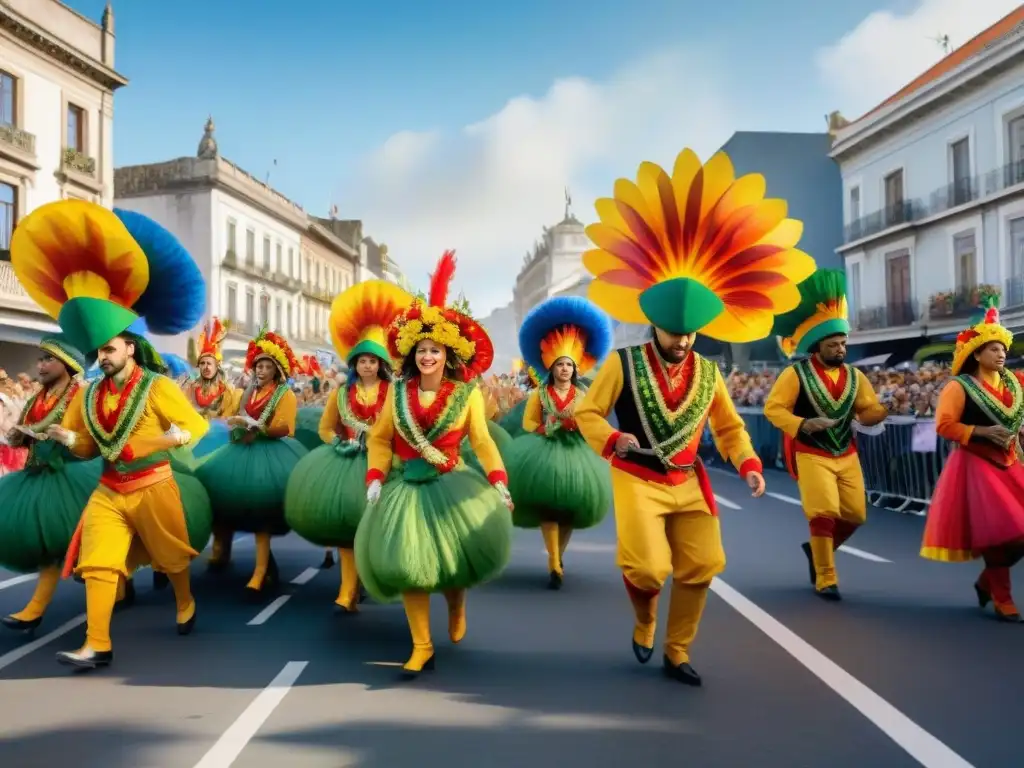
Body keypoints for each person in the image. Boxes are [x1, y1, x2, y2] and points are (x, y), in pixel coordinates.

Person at [575, 147, 815, 686]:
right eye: (674, 331)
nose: (682, 340)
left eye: (690, 333)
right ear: (654, 324)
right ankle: (643, 623)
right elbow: (587, 412)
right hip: (637, 478)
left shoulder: (709, 373)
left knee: (702, 566)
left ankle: (676, 650)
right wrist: (613, 439)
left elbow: (729, 427)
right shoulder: (623, 362)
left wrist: (749, 463)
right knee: (646, 569)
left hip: (689, 481)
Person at [10, 200, 211, 670]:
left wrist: (159, 442)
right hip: (108, 489)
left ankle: (185, 601)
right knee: (98, 563)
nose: (103, 356)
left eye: (110, 348)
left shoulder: (158, 386)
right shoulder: (88, 397)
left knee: (172, 560)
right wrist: (65, 439)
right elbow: (86, 448)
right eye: (98, 350)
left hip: (155, 486)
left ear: (130, 348)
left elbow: (195, 427)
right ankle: (97, 643)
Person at [355, 250, 514, 677]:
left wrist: (499, 482)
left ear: (448, 355)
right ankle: (422, 644)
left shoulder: (468, 395)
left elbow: (481, 441)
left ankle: (457, 603)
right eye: (422, 350)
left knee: (453, 561)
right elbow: (381, 438)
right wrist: (374, 476)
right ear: (412, 355)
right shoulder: (397, 392)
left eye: (435, 350)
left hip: (452, 482)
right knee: (411, 567)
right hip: (406, 487)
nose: (427, 356)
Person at [285, 279, 411, 611]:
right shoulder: (341, 395)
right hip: (347, 467)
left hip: (386, 465)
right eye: (361, 361)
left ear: (381, 364)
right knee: (346, 530)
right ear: (353, 364)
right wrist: (339, 443)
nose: (367, 365)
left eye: (373, 360)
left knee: (380, 528)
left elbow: (403, 429)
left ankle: (375, 578)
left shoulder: (395, 394)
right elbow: (327, 429)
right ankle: (346, 590)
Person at [763, 269, 888, 601]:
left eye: (843, 343)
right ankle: (826, 576)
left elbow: (868, 410)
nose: (840, 349)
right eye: (834, 344)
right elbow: (773, 409)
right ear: (818, 346)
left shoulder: (856, 376)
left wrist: (885, 409)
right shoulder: (795, 374)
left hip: (846, 453)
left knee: (856, 514)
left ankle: (818, 550)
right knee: (824, 511)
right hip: (811, 452)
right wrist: (803, 425)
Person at [920, 300, 1024, 622]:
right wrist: (979, 430)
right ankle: (1003, 598)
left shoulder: (1015, 383)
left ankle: (985, 582)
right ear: (976, 354)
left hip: (1010, 463)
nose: (1000, 354)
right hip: (977, 464)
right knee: (999, 533)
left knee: (1019, 533)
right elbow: (944, 425)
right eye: (993, 349)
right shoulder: (959, 386)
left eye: (1002, 348)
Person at [504, 295, 614, 589]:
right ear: (551, 368)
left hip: (577, 455)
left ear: (576, 368)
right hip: (544, 454)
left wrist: (579, 426)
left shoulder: (583, 396)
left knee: (568, 512)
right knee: (549, 509)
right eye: (560, 364)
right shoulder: (540, 395)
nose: (564, 369)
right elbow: (528, 422)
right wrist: (547, 426)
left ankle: (558, 555)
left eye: (568, 364)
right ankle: (553, 562)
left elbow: (595, 420)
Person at [0, 335, 104, 633]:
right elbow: (22, 430)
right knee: (50, 547)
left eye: (49, 359)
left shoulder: (82, 395)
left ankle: (118, 584)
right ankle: (34, 610)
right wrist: (19, 435)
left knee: (90, 544)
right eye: (40, 359)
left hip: (75, 477)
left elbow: (95, 436)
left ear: (68, 364)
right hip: (37, 477)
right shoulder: (36, 398)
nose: (41, 365)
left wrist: (66, 437)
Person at [195, 327, 306, 594]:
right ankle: (228, 551)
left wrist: (261, 428)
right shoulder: (250, 392)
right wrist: (239, 424)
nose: (261, 370)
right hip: (244, 451)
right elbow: (239, 414)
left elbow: (286, 428)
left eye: (267, 366)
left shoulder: (285, 395)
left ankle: (260, 570)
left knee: (262, 512)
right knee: (218, 493)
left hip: (272, 456)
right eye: (258, 365)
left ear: (276, 371)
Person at [182, 316, 240, 569]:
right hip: (191, 449)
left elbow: (230, 419)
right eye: (203, 363)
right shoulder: (188, 388)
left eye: (210, 363)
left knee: (221, 499)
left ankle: (221, 546)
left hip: (219, 451)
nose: (206, 367)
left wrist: (212, 421)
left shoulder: (229, 392)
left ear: (218, 365)